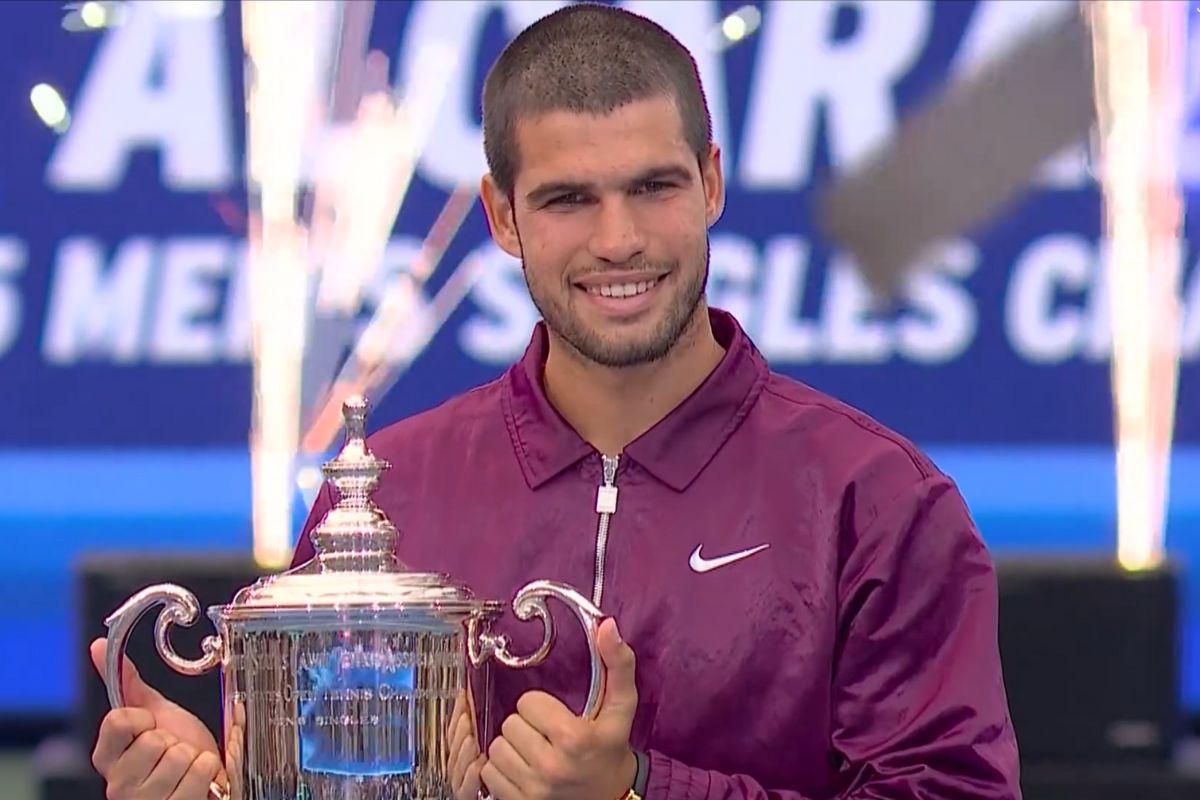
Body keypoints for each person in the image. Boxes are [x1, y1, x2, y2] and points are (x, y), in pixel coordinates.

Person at [89, 4, 1022, 799]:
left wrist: (641, 787)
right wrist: (212, 784)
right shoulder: (382, 496)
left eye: (653, 188)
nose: (619, 241)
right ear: (501, 217)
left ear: (711, 183)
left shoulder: (876, 500)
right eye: (569, 199)